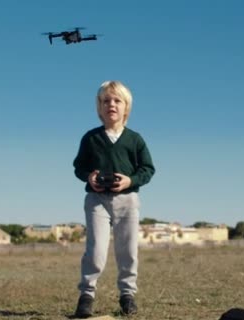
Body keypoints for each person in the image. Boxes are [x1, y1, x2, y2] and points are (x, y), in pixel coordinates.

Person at [72, 80, 155, 318]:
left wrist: (130, 181)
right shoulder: (91, 138)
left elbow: (148, 169)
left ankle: (127, 295)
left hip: (127, 201)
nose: (111, 104)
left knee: (128, 250)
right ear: (99, 107)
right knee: (96, 250)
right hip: (97, 201)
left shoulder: (135, 139)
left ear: (126, 107)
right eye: (106, 101)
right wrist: (90, 177)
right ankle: (87, 295)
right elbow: (78, 167)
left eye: (117, 100)